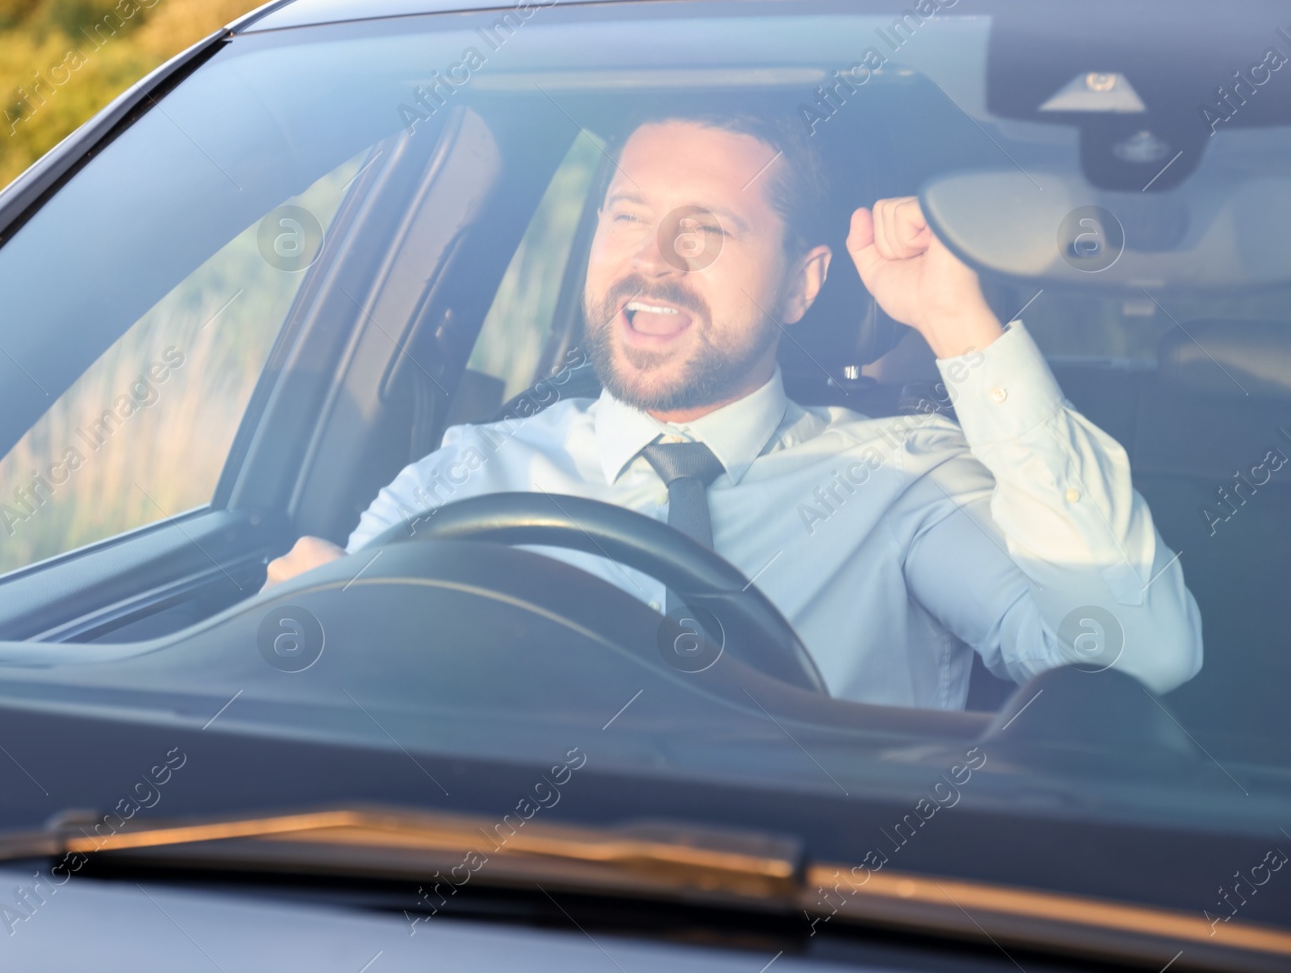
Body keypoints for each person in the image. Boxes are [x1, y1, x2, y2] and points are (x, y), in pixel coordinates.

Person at [263, 111, 1202, 710]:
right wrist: (297, 629)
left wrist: (959, 325)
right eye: (628, 215)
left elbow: (1138, 652)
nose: (654, 256)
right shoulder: (468, 476)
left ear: (804, 283)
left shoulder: (902, 479)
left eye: (707, 227)